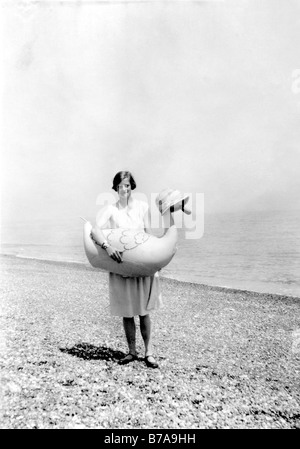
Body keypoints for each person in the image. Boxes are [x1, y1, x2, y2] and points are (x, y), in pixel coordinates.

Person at [91, 171, 162, 368]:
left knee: (144, 311)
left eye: (128, 185)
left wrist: (156, 263)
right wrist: (107, 246)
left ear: (132, 187)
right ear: (115, 188)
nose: (125, 189)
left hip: (141, 265)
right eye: (121, 186)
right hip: (121, 265)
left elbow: (149, 235)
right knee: (127, 312)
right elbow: (95, 230)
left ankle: (148, 352)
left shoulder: (142, 207)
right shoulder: (110, 210)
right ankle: (132, 351)